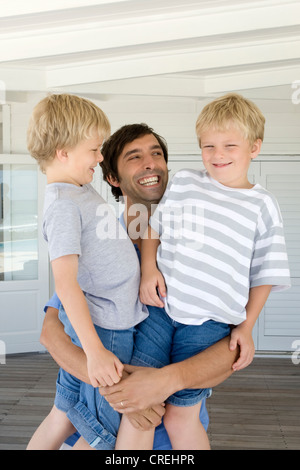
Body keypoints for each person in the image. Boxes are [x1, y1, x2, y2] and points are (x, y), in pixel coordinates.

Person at [41, 123, 241, 450]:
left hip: (173, 439)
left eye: (157, 154)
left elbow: (233, 345)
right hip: (93, 433)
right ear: (112, 178)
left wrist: (161, 384)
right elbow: (51, 331)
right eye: (135, 156)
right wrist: (122, 392)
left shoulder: (201, 244)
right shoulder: (97, 242)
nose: (151, 163)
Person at [113, 93, 291, 450]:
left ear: (254, 148)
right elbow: (154, 228)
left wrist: (246, 325)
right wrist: (149, 270)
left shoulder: (262, 205)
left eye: (229, 145)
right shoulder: (185, 182)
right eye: (207, 146)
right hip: (159, 309)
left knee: (181, 416)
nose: (217, 154)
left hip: (210, 322)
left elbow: (266, 273)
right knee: (137, 402)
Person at [26, 94, 150, 450]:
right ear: (63, 151)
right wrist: (95, 352)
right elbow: (65, 284)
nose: (99, 157)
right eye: (94, 150)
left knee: (61, 416)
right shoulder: (64, 205)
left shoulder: (76, 190)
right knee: (102, 432)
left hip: (102, 324)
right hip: (106, 329)